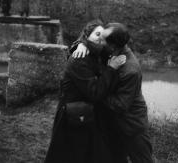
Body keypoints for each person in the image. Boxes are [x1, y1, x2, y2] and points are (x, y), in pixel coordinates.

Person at [44, 20, 126, 163]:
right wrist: (111, 69)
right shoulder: (80, 59)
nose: (101, 38)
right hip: (73, 115)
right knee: (71, 155)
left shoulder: (98, 52)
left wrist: (80, 43)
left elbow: (116, 42)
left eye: (103, 35)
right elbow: (95, 93)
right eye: (97, 34)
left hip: (85, 111)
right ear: (87, 36)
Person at [72, 23, 153, 163]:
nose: (99, 41)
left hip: (132, 125)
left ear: (113, 46)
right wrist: (81, 44)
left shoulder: (130, 70)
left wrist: (94, 93)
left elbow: (120, 105)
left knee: (142, 160)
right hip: (113, 124)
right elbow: (89, 38)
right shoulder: (109, 50)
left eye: (102, 39)